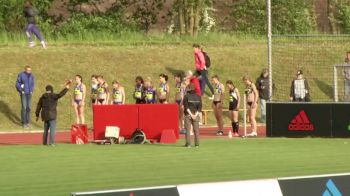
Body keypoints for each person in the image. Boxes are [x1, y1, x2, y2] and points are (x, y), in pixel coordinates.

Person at [35, 81, 72, 146]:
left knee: (45, 130)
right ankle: (52, 143)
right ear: (51, 90)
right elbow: (60, 94)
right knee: (52, 130)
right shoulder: (53, 95)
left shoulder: (42, 97)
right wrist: (66, 88)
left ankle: (44, 142)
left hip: (45, 115)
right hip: (52, 115)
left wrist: (37, 115)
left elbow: (38, 106)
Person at [183, 83, 202, 148]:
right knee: (196, 130)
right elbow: (199, 108)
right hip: (196, 115)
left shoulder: (186, 96)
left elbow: (186, 107)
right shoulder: (198, 96)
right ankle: (197, 144)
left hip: (188, 115)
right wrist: (195, 115)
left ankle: (188, 144)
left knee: (188, 130)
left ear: (188, 88)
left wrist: (191, 114)